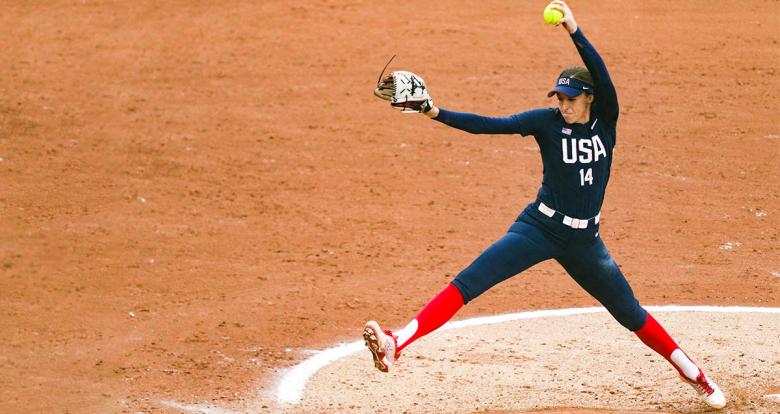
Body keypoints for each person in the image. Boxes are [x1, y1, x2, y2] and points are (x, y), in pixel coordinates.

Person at [363, 1, 726, 410]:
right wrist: (433, 111)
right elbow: (489, 124)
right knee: (469, 282)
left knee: (631, 315)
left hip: (585, 242)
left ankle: (695, 374)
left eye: (571, 98)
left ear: (589, 98)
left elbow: (603, 77)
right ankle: (397, 342)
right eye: (559, 98)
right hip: (538, 229)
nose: (564, 105)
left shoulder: (606, 121)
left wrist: (574, 30)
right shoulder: (546, 122)